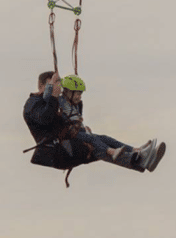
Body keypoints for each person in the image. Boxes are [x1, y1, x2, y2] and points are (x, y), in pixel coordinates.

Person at [23, 71, 165, 174]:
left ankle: (139, 158)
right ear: (41, 86)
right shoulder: (32, 103)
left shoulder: (51, 102)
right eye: (51, 85)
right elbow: (45, 118)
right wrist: (54, 97)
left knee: (100, 141)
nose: (56, 89)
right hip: (56, 152)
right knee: (93, 144)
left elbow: (61, 120)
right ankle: (138, 157)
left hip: (64, 148)